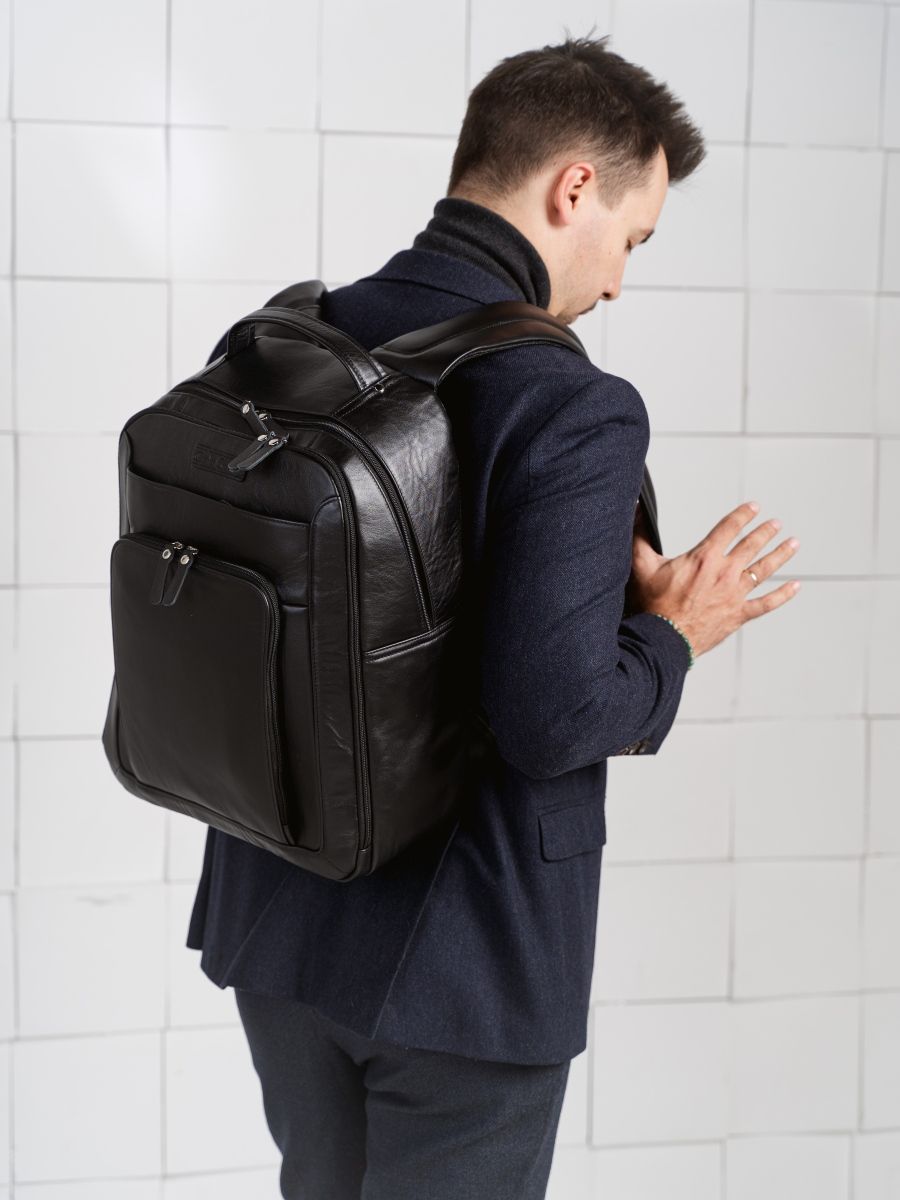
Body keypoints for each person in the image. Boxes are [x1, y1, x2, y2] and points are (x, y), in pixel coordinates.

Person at [186, 33, 800, 1199]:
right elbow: (552, 718)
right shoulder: (567, 402)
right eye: (632, 238)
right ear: (575, 187)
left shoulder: (276, 344)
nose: (616, 282)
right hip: (462, 966)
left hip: (276, 913)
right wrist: (673, 636)